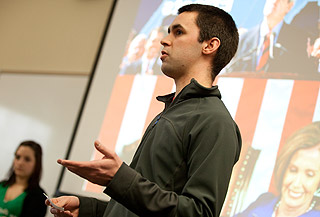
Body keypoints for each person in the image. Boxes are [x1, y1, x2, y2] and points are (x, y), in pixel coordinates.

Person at [47, 3, 241, 217]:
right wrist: (88, 209)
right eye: (168, 32)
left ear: (210, 45)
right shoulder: (173, 111)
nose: (164, 40)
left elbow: (198, 213)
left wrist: (119, 179)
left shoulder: (215, 121)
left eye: (178, 32)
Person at [235, 121, 320, 217]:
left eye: (309, 175)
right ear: (283, 168)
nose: (296, 183)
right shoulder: (263, 202)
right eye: (293, 170)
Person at [224, 0, 319, 79]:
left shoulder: (298, 40)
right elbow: (228, 74)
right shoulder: (243, 40)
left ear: (289, 6)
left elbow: (304, 76)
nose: (274, 1)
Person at [0, 140, 47, 217]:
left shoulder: (39, 197)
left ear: (36, 164)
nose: (20, 163)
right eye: (17, 157)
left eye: (27, 159)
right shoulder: (2, 185)